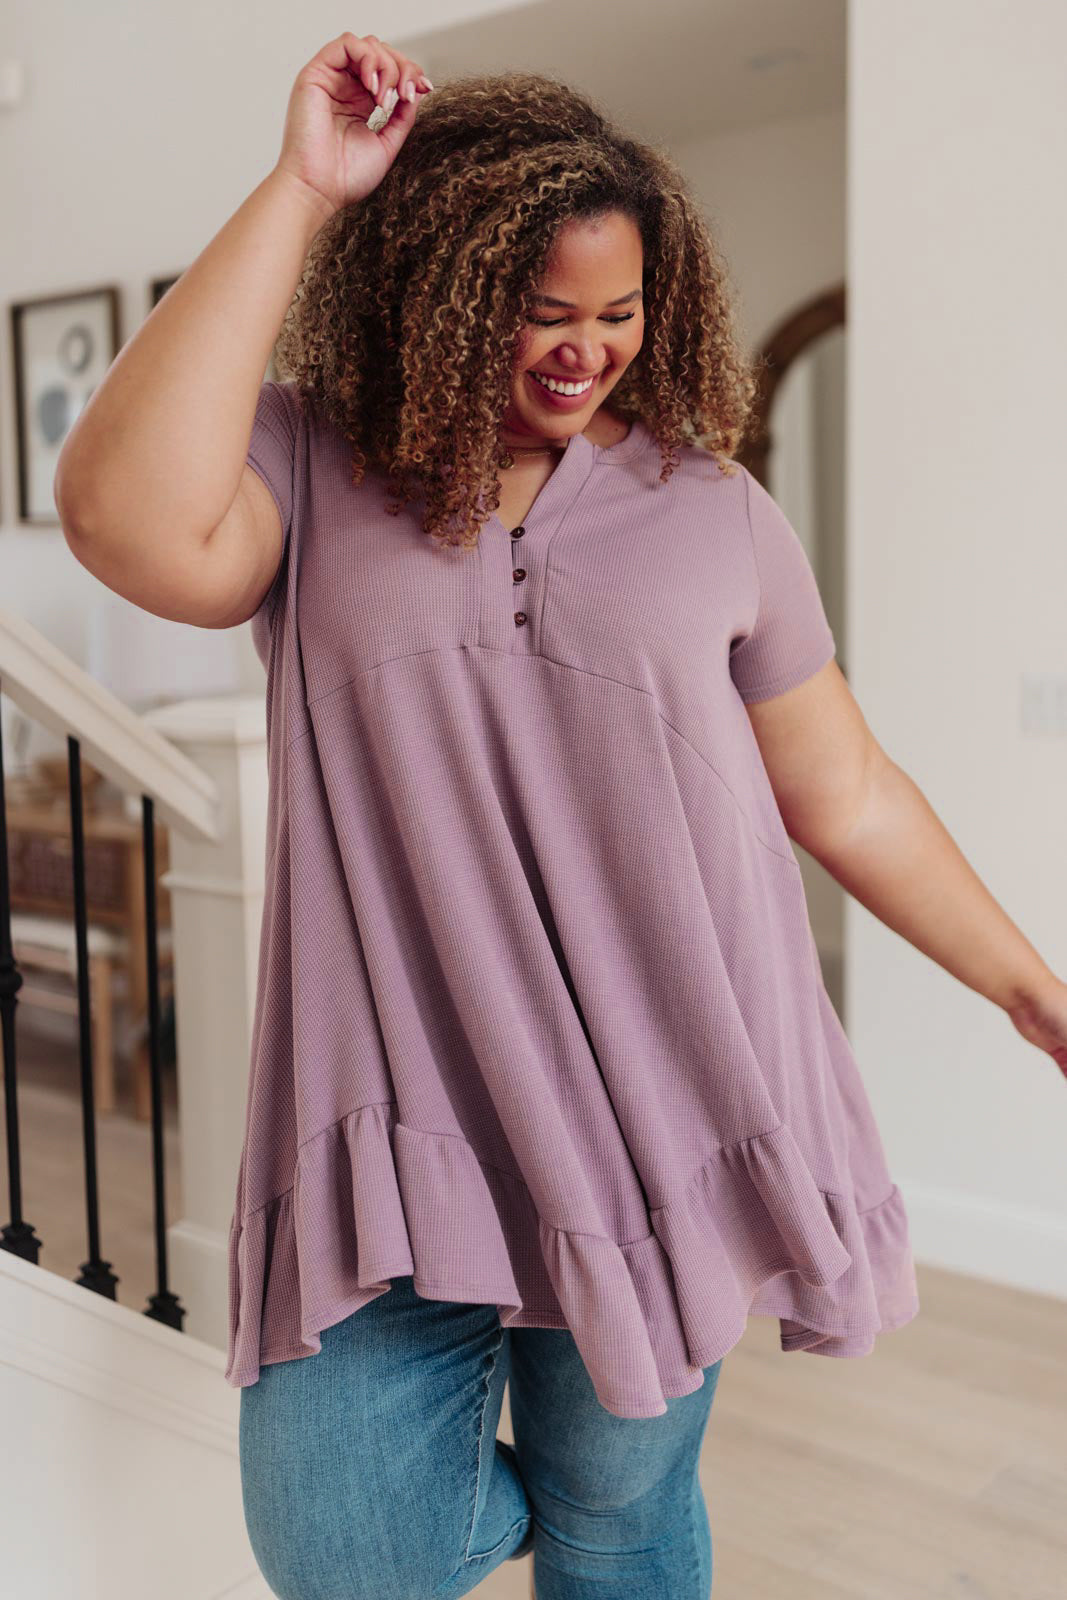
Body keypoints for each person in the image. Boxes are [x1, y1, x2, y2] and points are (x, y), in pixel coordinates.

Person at [55, 32, 1067, 1600]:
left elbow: (845, 788)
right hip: (396, 1116)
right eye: (542, 315)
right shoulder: (317, 467)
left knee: (620, 1526)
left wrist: (1028, 986)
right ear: (442, 290)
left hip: (665, 1097)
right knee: (340, 1545)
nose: (587, 352)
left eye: (619, 312)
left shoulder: (713, 507)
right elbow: (121, 516)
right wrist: (303, 189)